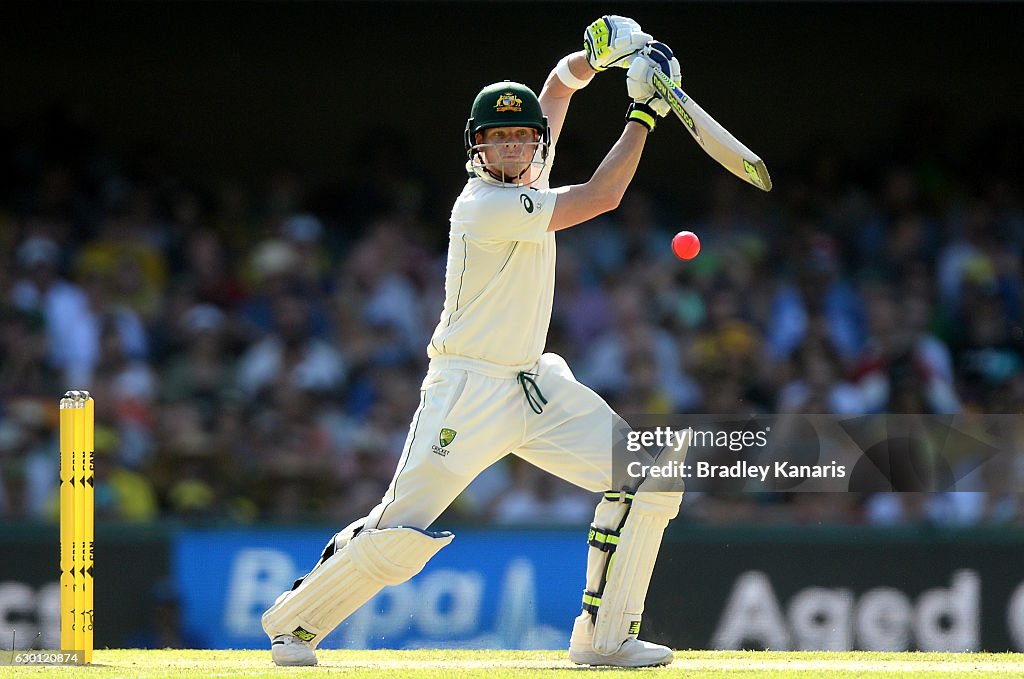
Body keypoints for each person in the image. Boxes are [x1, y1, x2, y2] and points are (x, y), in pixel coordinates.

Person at [262, 16, 686, 667]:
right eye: (500, 139)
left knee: (651, 477)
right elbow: (603, 196)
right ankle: (293, 623)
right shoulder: (482, 204)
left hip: (534, 382)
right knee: (400, 534)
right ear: (477, 148)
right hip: (467, 390)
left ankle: (605, 640)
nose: (514, 150)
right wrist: (643, 112)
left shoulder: (531, 181)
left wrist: (595, 60)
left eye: (524, 138)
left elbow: (555, 87)